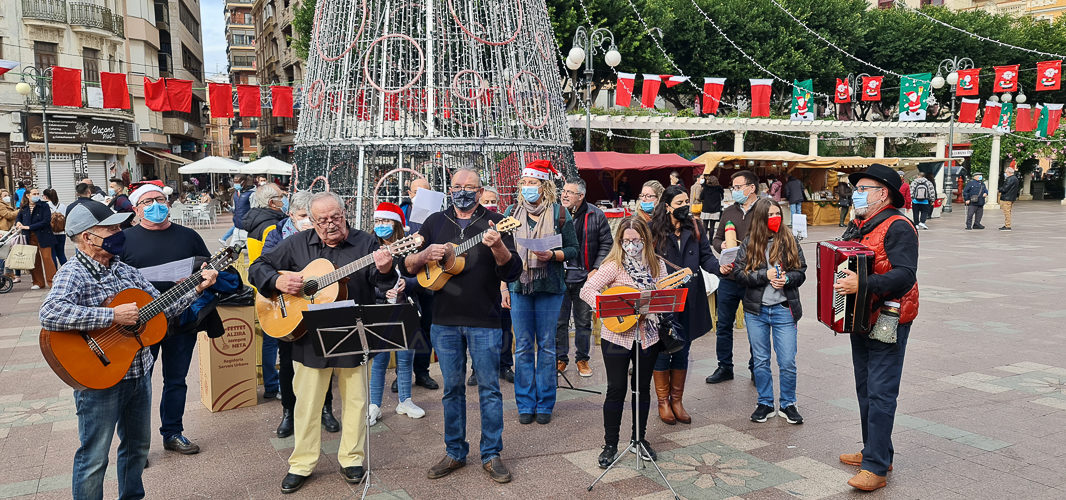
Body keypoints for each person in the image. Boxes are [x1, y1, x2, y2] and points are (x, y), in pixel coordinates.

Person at [40, 201, 217, 500]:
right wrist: (111, 316)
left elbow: (159, 309)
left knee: (137, 448)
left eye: (119, 226)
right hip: (99, 378)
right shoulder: (74, 273)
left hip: (137, 373)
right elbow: (50, 313)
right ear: (88, 237)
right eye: (110, 228)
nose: (119, 232)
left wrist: (196, 288)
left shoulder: (123, 268)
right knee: (94, 456)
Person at [250, 192, 396, 493]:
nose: (330, 225)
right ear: (311, 221)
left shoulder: (366, 243)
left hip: (352, 331)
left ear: (345, 214)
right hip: (308, 334)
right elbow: (257, 267)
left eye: (336, 218)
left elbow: (381, 283)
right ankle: (302, 463)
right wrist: (277, 281)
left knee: (355, 400)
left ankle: (352, 459)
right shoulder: (296, 244)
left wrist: (384, 269)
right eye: (322, 220)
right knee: (307, 402)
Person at [404, 167, 521, 484]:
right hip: (444, 322)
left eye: (470, 186)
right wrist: (426, 252)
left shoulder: (496, 221)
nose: (463, 191)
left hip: (485, 319)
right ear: (450, 189)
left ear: (481, 190)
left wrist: (497, 246)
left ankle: (491, 454)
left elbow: (512, 272)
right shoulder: (435, 222)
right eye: (457, 186)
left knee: (490, 391)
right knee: (452, 390)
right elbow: (411, 266)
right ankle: (455, 451)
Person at [120, 182, 242, 456]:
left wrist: (207, 277)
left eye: (160, 199)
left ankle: (173, 433)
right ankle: (135, 447)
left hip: (181, 321)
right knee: (138, 384)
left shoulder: (188, 236)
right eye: (148, 201)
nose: (156, 205)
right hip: (140, 325)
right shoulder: (125, 239)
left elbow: (210, 268)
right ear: (136, 209)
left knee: (176, 380)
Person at [833, 164, 919, 492]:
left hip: (889, 317)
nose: (857, 193)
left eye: (863, 188)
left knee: (881, 391)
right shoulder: (859, 226)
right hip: (861, 316)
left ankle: (876, 468)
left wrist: (863, 283)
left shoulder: (898, 226)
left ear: (883, 193)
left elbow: (905, 275)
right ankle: (876, 451)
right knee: (865, 387)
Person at [580, 215, 666, 467]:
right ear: (620, 240)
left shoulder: (657, 265)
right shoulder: (614, 265)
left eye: (637, 240)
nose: (632, 245)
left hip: (647, 336)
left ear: (645, 240)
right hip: (617, 336)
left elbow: (663, 296)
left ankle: (639, 439)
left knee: (642, 388)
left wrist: (654, 309)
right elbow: (587, 290)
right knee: (616, 389)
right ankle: (610, 444)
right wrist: (608, 308)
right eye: (627, 240)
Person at [503, 160, 578, 425]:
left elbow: (573, 250)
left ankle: (545, 403)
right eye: (524, 183)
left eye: (532, 183)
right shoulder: (511, 213)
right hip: (519, 286)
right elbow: (503, 255)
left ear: (544, 186)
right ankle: (525, 403)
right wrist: (504, 286)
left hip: (550, 287)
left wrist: (553, 255)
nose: (527, 188)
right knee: (523, 347)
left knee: (547, 347)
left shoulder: (560, 214)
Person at [261, 191, 341, 439]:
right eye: (303, 216)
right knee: (287, 363)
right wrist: (278, 280)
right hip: (286, 310)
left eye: (311, 216)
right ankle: (288, 411)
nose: (307, 220)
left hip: (319, 306)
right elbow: (262, 266)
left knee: (325, 360)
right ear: (291, 214)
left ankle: (326, 408)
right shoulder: (277, 236)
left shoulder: (328, 237)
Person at [730, 198, 806, 425]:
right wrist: (764, 276)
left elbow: (801, 271)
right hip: (757, 311)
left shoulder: (789, 239)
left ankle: (788, 403)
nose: (775, 218)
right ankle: (764, 402)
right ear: (761, 218)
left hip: (784, 310)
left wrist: (788, 278)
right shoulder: (750, 242)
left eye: (778, 214)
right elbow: (738, 273)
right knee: (761, 360)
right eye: (770, 215)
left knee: (787, 361)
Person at [649, 185, 718, 425]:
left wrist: (721, 268)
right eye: (679, 203)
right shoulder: (653, 229)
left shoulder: (696, 227)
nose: (685, 207)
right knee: (663, 348)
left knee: (683, 348)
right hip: (664, 299)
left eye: (686, 201)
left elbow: (706, 256)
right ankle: (663, 402)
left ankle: (677, 400)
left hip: (690, 297)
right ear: (667, 206)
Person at [367, 202, 426, 425]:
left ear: (398, 224)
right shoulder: (369, 247)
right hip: (379, 310)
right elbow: (366, 280)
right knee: (379, 359)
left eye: (386, 221)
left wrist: (406, 284)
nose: (381, 225)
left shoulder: (409, 248)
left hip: (406, 308)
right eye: (378, 221)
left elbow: (422, 278)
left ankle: (405, 400)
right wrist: (381, 289)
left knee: (405, 358)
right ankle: (374, 405)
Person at [706, 171, 759, 385]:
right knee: (724, 324)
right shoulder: (728, 211)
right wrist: (723, 246)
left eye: (738, 187)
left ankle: (757, 367)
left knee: (755, 326)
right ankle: (724, 366)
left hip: (754, 277)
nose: (734, 191)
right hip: (729, 277)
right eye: (733, 187)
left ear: (752, 187)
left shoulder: (765, 210)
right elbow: (716, 239)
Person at [556, 178, 611, 378]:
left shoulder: (596, 215)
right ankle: (561, 359)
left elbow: (607, 243)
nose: (564, 195)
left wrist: (596, 268)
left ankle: (582, 359)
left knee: (583, 321)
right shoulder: (555, 213)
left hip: (585, 277)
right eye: (564, 191)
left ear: (581, 196)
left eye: (570, 192)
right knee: (560, 322)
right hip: (560, 276)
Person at [469, 186, 515, 384]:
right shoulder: (470, 224)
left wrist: (504, 286)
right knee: (475, 328)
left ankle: (505, 366)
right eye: (486, 201)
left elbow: (508, 258)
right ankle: (475, 369)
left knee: (504, 326)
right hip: (477, 285)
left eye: (493, 200)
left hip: (498, 283)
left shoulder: (500, 223)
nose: (490, 204)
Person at [14, 187, 56, 289]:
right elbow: (19, 217)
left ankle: (53, 282)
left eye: (38, 193)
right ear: (28, 196)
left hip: (44, 235)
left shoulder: (44, 206)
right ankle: (38, 282)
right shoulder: (24, 207)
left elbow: (46, 221)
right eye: (34, 194)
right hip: (29, 236)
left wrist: (29, 227)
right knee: (34, 259)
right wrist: (18, 223)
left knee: (47, 258)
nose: (37, 195)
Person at [223, 175, 253, 244]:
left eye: (237, 182)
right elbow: (234, 210)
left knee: (252, 253)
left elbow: (255, 211)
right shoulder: (236, 194)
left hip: (247, 230)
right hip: (237, 229)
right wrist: (227, 207)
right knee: (232, 252)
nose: (235, 184)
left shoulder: (251, 194)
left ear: (244, 182)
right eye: (234, 182)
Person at [42, 189, 67, 267]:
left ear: (46, 196)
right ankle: (66, 270)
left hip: (50, 233)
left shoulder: (45, 206)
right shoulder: (62, 206)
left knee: (52, 255)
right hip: (62, 233)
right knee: (61, 254)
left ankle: (55, 273)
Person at [0, 189, 20, 282]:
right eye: (5, 195)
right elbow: (8, 215)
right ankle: (4, 273)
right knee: (3, 253)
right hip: (2, 231)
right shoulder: (1, 205)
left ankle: (9, 272)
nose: (7, 197)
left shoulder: (6, 205)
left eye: (8, 195)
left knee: (7, 253)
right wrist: (18, 211)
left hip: (7, 231)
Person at [998, 165, 1020, 231]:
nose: (1005, 173)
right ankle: (1007, 224)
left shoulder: (1010, 179)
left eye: (1006, 172)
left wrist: (1000, 189)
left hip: (1007, 197)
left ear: (1009, 172)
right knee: (1008, 211)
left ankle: (1007, 226)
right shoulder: (1015, 178)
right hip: (1011, 197)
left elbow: (1005, 189)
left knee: (1007, 212)